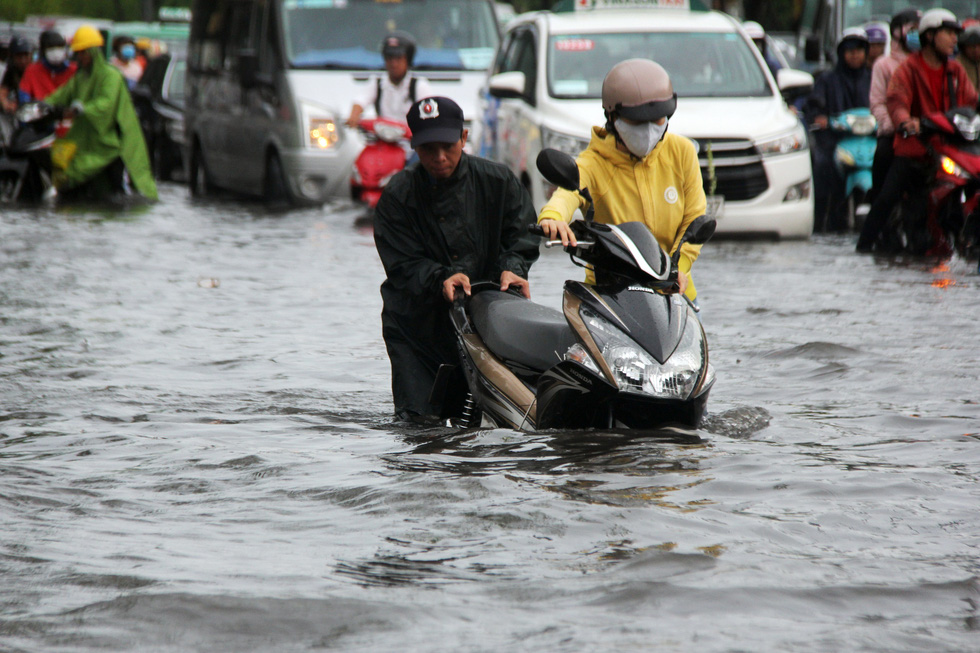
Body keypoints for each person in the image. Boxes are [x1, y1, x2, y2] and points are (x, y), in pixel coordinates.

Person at [373, 96, 539, 424]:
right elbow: (403, 266)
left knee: (497, 423)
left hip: (486, 319)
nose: (439, 157)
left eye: (448, 146)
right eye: (428, 149)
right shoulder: (397, 197)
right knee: (420, 427)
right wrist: (441, 277)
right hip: (417, 329)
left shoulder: (499, 181)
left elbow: (522, 232)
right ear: (413, 147)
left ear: (464, 138)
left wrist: (513, 267)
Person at [538, 58, 706, 303]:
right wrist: (552, 217)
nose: (648, 129)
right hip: (612, 297)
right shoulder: (593, 163)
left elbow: (694, 217)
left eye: (658, 119)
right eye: (637, 121)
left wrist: (679, 267)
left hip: (676, 295)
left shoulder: (682, 152)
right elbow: (567, 193)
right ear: (611, 116)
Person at [857, 8, 978, 253]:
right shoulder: (907, 69)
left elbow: (971, 102)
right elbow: (896, 101)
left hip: (951, 147)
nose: (955, 39)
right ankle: (864, 245)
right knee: (886, 197)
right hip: (915, 149)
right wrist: (906, 122)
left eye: (956, 34)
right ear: (930, 36)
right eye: (948, 33)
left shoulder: (955, 71)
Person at [44, 25, 157, 201]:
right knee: (66, 172)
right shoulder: (80, 78)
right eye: (78, 53)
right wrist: (42, 104)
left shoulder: (111, 76)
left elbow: (106, 103)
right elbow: (61, 95)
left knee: (118, 194)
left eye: (84, 52)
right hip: (86, 140)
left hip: (110, 144)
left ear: (93, 52)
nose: (81, 57)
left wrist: (84, 109)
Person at [804, 28, 872, 232]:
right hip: (835, 139)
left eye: (859, 49)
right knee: (823, 166)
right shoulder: (827, 79)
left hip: (868, 140)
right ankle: (822, 220)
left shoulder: (873, 78)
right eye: (849, 49)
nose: (855, 54)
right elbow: (814, 105)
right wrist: (820, 118)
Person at [868, 9, 921, 205]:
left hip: (924, 131)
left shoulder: (925, 64)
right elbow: (877, 103)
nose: (917, 35)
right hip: (894, 134)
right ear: (897, 32)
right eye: (912, 30)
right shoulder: (884, 65)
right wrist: (895, 125)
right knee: (883, 161)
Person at [346, 32, 434, 128]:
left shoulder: (419, 85)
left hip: (410, 139)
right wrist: (354, 116)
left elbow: (428, 113)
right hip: (383, 138)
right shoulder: (377, 83)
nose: (394, 64)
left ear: (408, 60)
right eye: (390, 59)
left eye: (399, 59)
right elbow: (361, 100)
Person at [19, 30, 77, 103]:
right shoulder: (32, 70)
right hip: (40, 111)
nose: (56, 52)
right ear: (44, 51)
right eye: (51, 48)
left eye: (59, 47)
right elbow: (24, 94)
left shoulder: (74, 70)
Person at [1, 36, 32, 114]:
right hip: (22, 112)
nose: (23, 60)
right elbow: (3, 92)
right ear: (12, 57)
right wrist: (6, 103)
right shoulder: (11, 72)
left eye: (26, 55)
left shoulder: (37, 71)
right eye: (19, 56)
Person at [956, 25, 980, 91]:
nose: (976, 50)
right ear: (963, 47)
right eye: (971, 46)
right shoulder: (957, 65)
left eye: (979, 46)